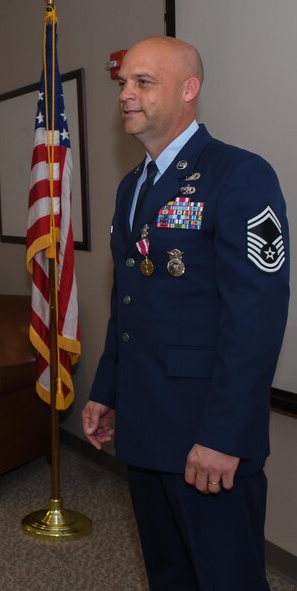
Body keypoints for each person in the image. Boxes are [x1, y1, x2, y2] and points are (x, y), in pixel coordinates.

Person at [82, 36, 289, 591]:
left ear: (189, 89)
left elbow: (256, 321)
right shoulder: (132, 186)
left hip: (207, 436)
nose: (126, 94)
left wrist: (225, 435)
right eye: (124, 82)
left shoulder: (240, 176)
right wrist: (107, 389)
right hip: (147, 427)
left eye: (143, 82)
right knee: (169, 576)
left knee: (227, 580)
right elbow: (127, 303)